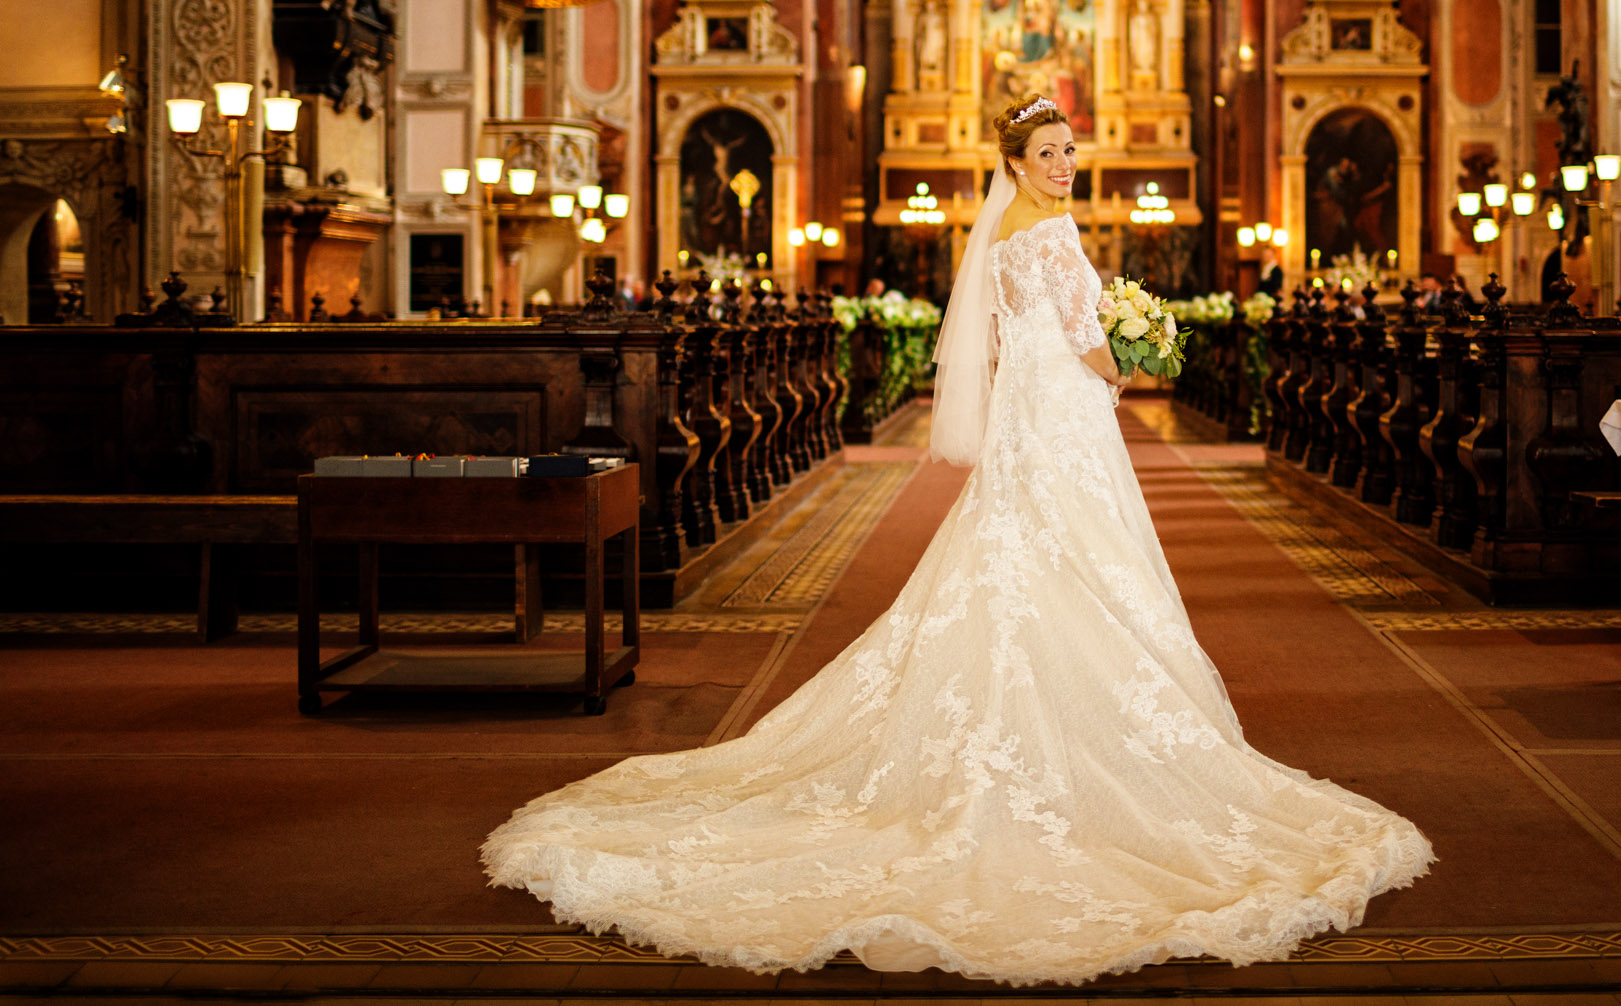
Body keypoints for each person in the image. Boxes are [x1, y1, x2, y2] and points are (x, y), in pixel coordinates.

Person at [481, 92, 1433, 985]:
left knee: (1027, 552)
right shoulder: (1052, 233)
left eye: (1069, 151)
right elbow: (1083, 337)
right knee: (1078, 556)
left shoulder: (1007, 231)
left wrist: (1105, 346)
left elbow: (1012, 337)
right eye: (1047, 153)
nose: (1063, 165)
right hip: (1061, 414)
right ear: (1014, 162)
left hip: (1032, 412)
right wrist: (1130, 359)